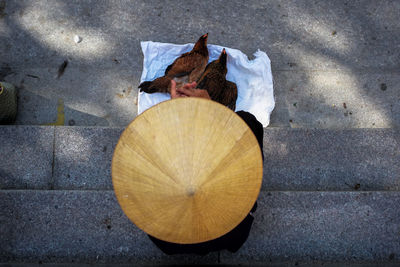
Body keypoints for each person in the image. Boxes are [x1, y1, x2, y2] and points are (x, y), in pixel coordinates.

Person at [147, 80, 264, 255]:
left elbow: (161, 150)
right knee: (247, 122)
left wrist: (176, 116)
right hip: (234, 233)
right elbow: (239, 149)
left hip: (168, 242)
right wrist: (212, 112)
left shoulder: (159, 227)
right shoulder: (232, 215)